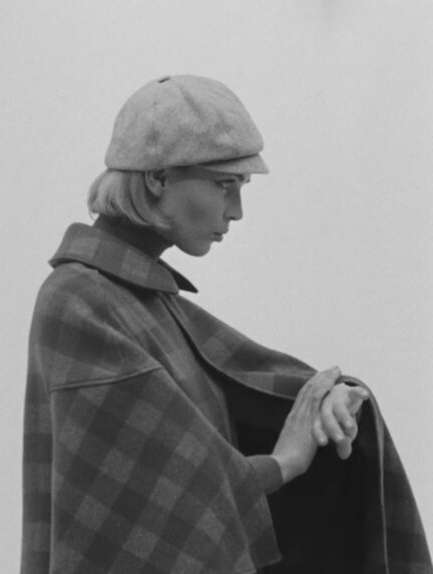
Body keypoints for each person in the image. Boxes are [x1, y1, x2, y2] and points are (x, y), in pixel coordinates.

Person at [21, 75, 431, 574]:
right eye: (223, 186)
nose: (235, 212)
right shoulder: (81, 301)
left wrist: (325, 401)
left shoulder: (145, 300)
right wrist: (284, 464)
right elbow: (167, 495)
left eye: (241, 188)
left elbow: (238, 397)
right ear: (159, 178)